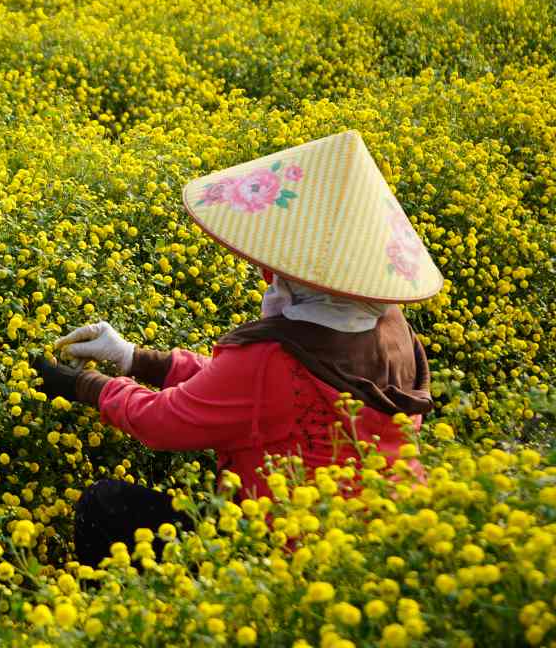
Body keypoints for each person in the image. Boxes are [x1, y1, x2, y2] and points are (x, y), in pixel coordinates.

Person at [31, 130, 442, 568]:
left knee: (107, 506)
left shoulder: (274, 359)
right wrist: (135, 359)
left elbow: (163, 421)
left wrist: (87, 385)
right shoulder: (392, 329)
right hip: (388, 537)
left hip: (291, 552)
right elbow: (247, 392)